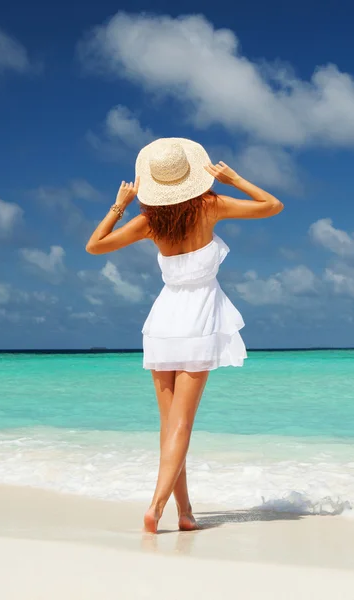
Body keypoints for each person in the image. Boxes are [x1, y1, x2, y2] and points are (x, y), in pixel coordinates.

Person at [86, 138, 284, 533]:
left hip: (163, 321)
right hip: (197, 321)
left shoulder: (148, 223)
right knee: (182, 426)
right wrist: (234, 178)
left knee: (169, 427)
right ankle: (157, 506)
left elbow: (95, 246)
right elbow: (272, 206)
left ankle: (186, 512)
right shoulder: (210, 206)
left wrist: (120, 205)